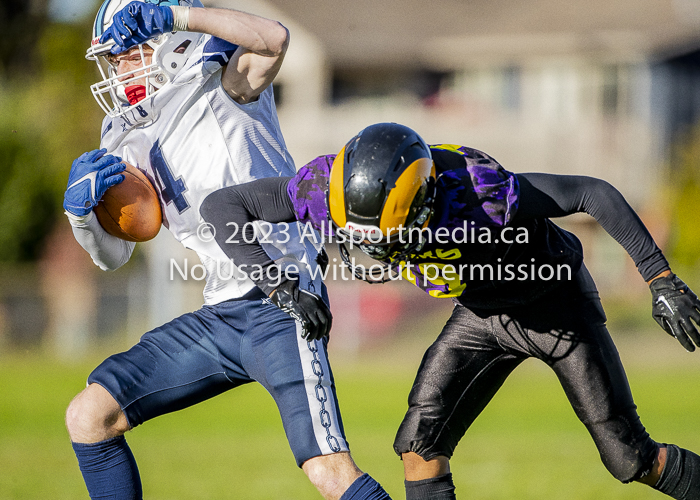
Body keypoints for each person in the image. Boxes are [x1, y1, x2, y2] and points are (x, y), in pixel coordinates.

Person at [200, 122, 700, 500]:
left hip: (554, 303)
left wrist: (659, 278)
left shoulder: (476, 191)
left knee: (628, 458)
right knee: (420, 448)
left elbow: (592, 192)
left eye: (386, 237)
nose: (375, 252)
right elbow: (223, 206)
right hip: (480, 315)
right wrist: (278, 285)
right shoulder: (325, 188)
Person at [63, 1, 392, 499]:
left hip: (280, 300)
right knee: (89, 416)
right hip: (219, 312)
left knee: (328, 472)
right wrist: (81, 217)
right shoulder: (122, 134)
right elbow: (115, 257)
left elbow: (274, 38)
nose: (120, 70)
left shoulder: (222, 82)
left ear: (170, 45)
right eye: (113, 60)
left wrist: (177, 16)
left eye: (130, 53)